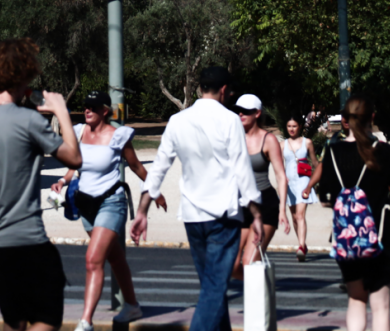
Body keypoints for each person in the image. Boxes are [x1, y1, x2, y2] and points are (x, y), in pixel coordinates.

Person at [0, 39, 83, 331]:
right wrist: (61, 111)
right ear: (23, 74)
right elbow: (75, 158)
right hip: (28, 239)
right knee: (46, 320)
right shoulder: (28, 120)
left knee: (13, 320)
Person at [132, 66, 262, 331]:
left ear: (200, 87)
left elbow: (159, 167)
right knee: (214, 288)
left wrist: (142, 210)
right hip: (223, 216)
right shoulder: (230, 120)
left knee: (212, 287)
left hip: (192, 216)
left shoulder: (177, 120)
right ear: (224, 90)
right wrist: (257, 214)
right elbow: (242, 168)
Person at [50, 91, 166, 331]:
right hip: (85, 205)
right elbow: (74, 165)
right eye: (86, 106)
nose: (87, 110)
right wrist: (62, 180)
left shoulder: (118, 136)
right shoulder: (79, 132)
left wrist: (155, 191)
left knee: (93, 259)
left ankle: (86, 322)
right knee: (115, 258)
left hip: (111, 203)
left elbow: (136, 166)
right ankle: (132, 305)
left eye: (93, 107)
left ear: (105, 111)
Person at [320, 95, 390, 331]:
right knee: (380, 307)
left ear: (345, 120)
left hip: (347, 240)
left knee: (356, 300)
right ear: (372, 118)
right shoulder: (384, 151)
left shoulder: (333, 152)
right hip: (381, 236)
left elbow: (325, 199)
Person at [233, 95, 290, 278]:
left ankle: (255, 289)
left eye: (245, 111)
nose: (240, 114)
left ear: (257, 113)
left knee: (249, 263)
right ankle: (257, 286)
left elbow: (281, 176)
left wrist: (282, 210)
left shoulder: (269, 139)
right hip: (240, 204)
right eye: (238, 110)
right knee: (231, 264)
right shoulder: (233, 137)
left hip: (265, 203)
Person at [285, 116, 320, 261]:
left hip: (303, 182)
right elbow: (278, 165)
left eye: (294, 126)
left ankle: (300, 247)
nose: (292, 129)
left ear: (299, 126)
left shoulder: (307, 142)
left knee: (300, 215)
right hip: (289, 184)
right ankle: (303, 245)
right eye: (289, 126)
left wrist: (315, 181)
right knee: (294, 218)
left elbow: (315, 163)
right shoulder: (282, 144)